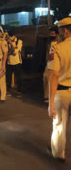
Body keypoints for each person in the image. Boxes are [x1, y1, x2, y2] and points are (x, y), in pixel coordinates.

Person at [47, 17, 71, 162]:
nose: (59, 33)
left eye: (60, 31)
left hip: (62, 92)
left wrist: (50, 103)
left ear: (65, 31)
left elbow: (54, 73)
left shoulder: (57, 47)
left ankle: (58, 154)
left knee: (59, 125)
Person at [43, 26, 59, 103]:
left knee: (52, 81)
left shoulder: (60, 42)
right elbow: (48, 52)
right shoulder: (50, 42)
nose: (51, 35)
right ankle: (47, 96)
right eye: (50, 33)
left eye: (52, 33)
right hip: (49, 64)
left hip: (55, 65)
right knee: (45, 78)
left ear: (57, 34)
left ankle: (51, 98)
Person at [6, 31, 23, 97]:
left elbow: (15, 52)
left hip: (17, 62)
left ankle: (19, 91)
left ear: (14, 36)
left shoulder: (19, 41)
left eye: (11, 36)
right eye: (9, 36)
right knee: (8, 77)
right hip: (9, 62)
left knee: (18, 77)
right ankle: (8, 90)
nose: (10, 38)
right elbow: (7, 52)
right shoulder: (6, 42)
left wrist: (10, 43)